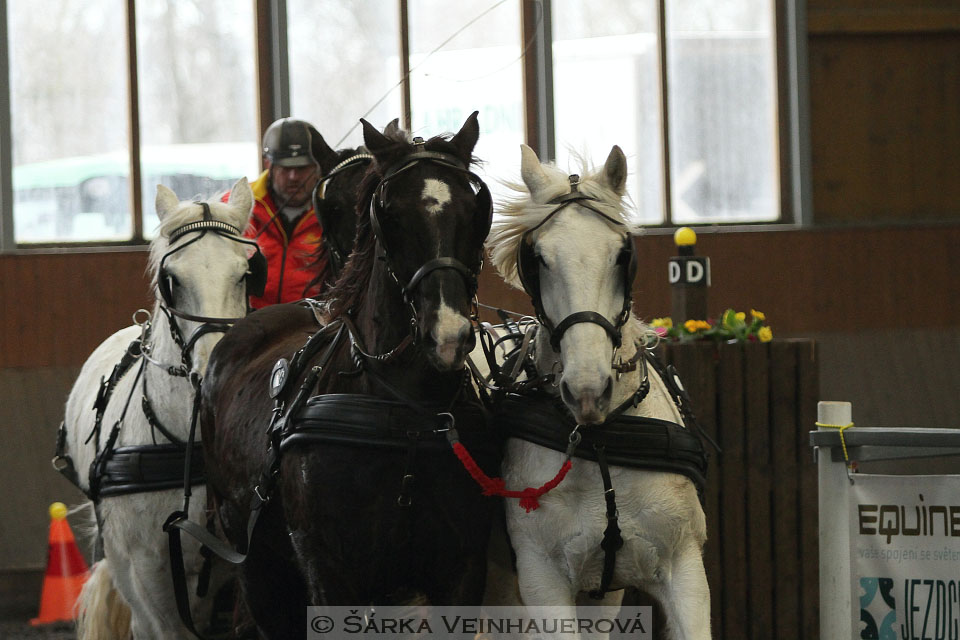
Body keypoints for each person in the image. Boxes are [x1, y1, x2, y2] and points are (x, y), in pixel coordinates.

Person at [232, 117, 336, 309]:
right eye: (285, 168)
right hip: (247, 326)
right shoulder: (235, 208)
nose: (293, 177)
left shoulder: (335, 212)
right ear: (268, 164)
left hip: (312, 328)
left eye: (302, 168)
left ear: (318, 166)